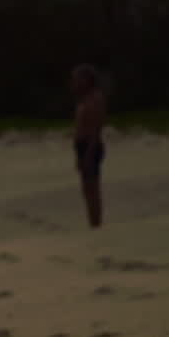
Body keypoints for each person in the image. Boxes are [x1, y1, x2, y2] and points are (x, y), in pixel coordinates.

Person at [71, 64, 107, 229]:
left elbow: (95, 128)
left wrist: (89, 153)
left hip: (90, 145)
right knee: (86, 189)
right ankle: (93, 221)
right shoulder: (84, 99)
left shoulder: (95, 98)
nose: (75, 82)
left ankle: (96, 223)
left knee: (92, 188)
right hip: (82, 146)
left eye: (78, 79)